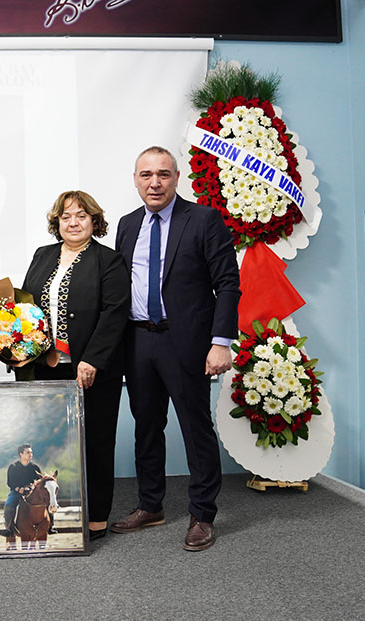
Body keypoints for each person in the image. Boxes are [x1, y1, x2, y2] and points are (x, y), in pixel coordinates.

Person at [111, 146, 240, 551]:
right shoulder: (127, 224)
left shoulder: (202, 219)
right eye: (146, 174)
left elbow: (228, 284)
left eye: (163, 174)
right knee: (146, 427)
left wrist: (220, 343)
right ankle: (151, 505)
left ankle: (202, 515)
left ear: (177, 177)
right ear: (135, 180)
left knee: (194, 428)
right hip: (138, 340)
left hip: (186, 343)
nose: (154, 182)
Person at [18, 190, 130, 540]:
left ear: (94, 221)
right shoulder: (42, 255)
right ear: (57, 223)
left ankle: (96, 515)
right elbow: (25, 309)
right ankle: (52, 511)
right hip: (44, 368)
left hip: (89, 371)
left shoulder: (108, 260)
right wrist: (16, 347)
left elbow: (114, 314)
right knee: (50, 445)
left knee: (95, 443)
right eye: (66, 216)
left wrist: (92, 358)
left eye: (82, 215)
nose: (74, 222)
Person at [3, 443, 44, 541]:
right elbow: (10, 482)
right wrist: (18, 489)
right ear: (21, 454)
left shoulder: (35, 468)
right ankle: (9, 529)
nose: (30, 455)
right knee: (8, 505)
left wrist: (31, 487)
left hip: (32, 492)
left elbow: (40, 482)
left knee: (47, 503)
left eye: (31, 452)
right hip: (16, 492)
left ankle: (50, 526)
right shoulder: (13, 467)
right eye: (28, 452)